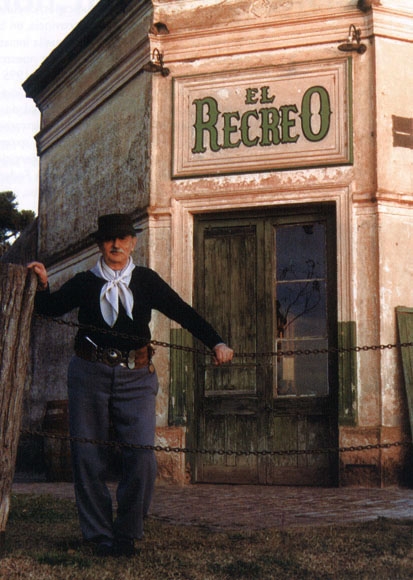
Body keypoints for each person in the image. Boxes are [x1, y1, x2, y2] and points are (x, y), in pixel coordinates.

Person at [28, 213, 233, 557]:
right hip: (88, 374)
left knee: (141, 456)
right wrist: (43, 285)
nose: (116, 245)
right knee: (87, 456)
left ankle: (127, 532)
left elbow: (182, 312)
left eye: (122, 238)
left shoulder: (146, 281)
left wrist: (216, 342)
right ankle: (98, 535)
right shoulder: (84, 282)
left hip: (137, 377)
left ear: (133, 242)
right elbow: (50, 309)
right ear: (100, 244)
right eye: (109, 239)